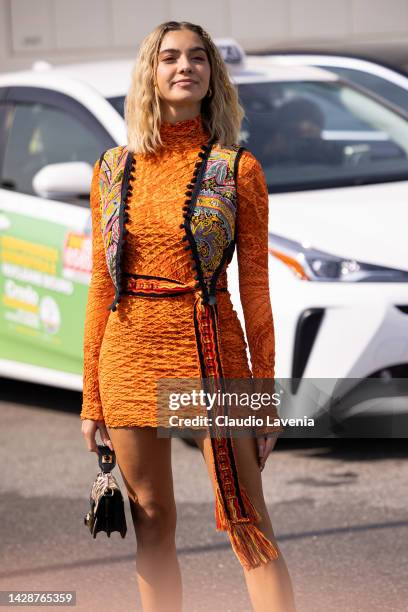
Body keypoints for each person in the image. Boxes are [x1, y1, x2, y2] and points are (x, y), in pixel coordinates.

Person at [80, 20, 296, 612]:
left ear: (212, 75)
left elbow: (256, 289)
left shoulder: (237, 169)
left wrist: (265, 396)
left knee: (250, 523)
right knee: (150, 520)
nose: (185, 67)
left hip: (211, 351)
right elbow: (102, 283)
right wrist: (90, 398)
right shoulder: (110, 168)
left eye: (197, 58)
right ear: (151, 73)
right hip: (127, 357)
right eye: (170, 57)